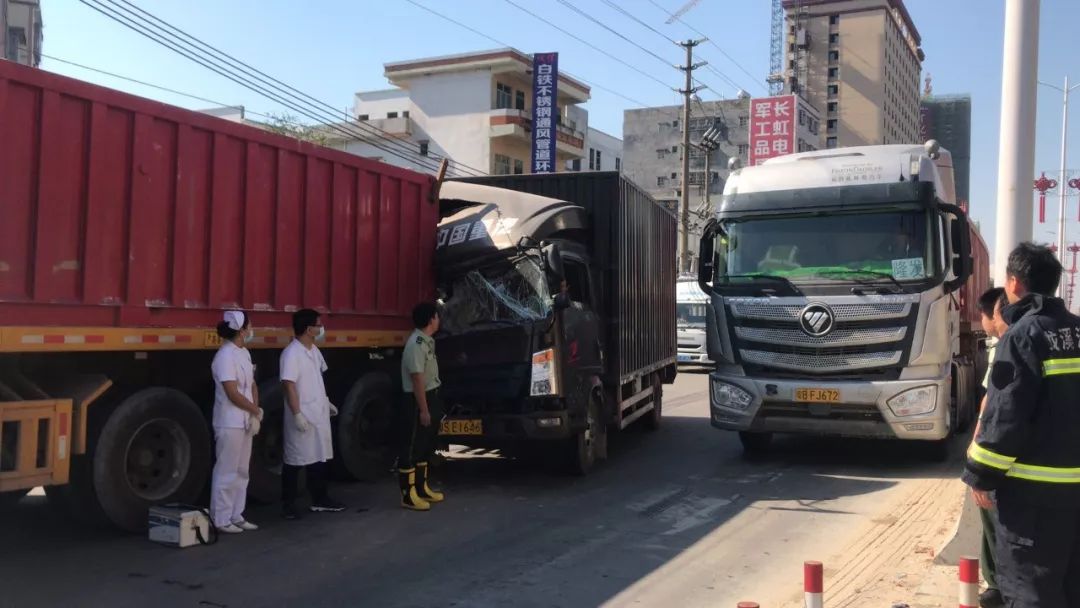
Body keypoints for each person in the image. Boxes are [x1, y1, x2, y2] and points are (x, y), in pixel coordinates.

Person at [963, 242, 1080, 606]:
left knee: (1032, 594)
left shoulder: (1024, 335)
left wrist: (979, 474)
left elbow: (1006, 416)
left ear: (1014, 284)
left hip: (1033, 504)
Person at [280, 308, 346, 519]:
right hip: (303, 414)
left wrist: (326, 403)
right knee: (295, 460)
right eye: (318, 324)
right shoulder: (292, 353)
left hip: (317, 413)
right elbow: (289, 385)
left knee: (319, 457)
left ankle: (320, 499)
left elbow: (316, 380)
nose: (321, 328)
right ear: (309, 329)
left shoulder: (314, 351)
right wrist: (297, 413)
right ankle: (288, 505)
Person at [209, 310, 262, 534]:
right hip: (229, 421)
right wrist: (255, 410)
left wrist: (253, 413)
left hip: (244, 420)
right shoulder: (224, 357)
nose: (252, 329)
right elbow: (231, 392)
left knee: (242, 469)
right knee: (226, 470)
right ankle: (220, 518)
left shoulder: (244, 353)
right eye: (249, 326)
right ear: (242, 330)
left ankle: (236, 514)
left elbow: (251, 385)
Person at [973, 287, 1009, 608]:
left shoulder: (1011, 347)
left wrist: (977, 457)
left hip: (1000, 458)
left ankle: (997, 583)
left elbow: (994, 407)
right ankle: (995, 581)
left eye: (992, 314)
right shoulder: (1001, 347)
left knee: (993, 515)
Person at [397, 302, 445, 511]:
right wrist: (424, 410)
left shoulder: (427, 341)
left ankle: (422, 488)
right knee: (412, 447)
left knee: (426, 445)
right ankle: (408, 495)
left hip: (431, 395)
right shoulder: (416, 344)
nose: (439, 320)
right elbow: (417, 379)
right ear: (430, 319)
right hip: (418, 400)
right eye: (437, 316)